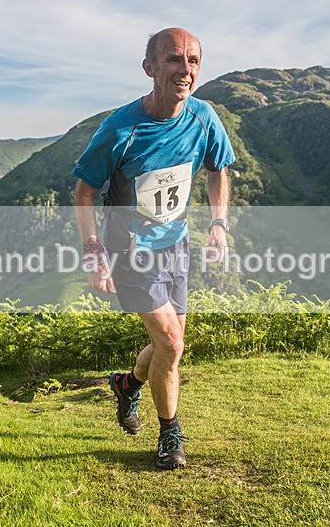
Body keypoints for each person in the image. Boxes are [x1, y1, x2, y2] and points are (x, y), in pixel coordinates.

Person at [72, 27, 235, 469]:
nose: (186, 69)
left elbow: (218, 169)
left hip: (175, 244)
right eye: (173, 59)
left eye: (193, 60)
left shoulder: (204, 117)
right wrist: (93, 251)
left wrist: (218, 224)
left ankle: (127, 384)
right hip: (129, 249)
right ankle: (170, 434)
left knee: (169, 345)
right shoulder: (120, 128)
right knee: (172, 344)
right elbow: (84, 192)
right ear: (149, 67)